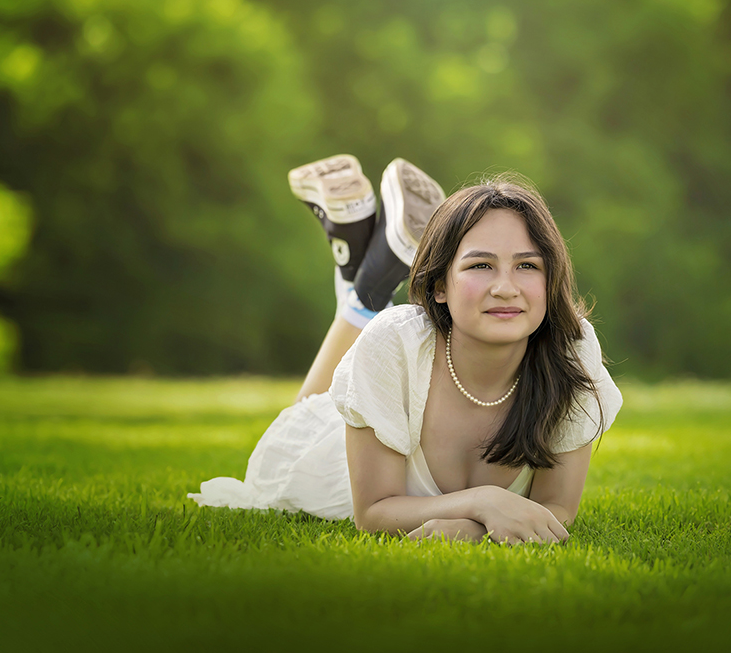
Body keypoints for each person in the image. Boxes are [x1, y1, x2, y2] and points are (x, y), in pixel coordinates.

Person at [188, 155, 623, 545]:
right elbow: (373, 512)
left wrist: (469, 527)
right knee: (309, 411)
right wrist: (485, 501)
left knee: (368, 331)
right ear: (438, 286)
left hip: (384, 387)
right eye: (480, 265)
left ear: (551, 281)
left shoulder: (572, 351)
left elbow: (557, 511)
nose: (506, 287)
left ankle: (362, 271)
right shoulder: (393, 343)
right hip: (328, 457)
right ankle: (363, 288)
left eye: (527, 265)